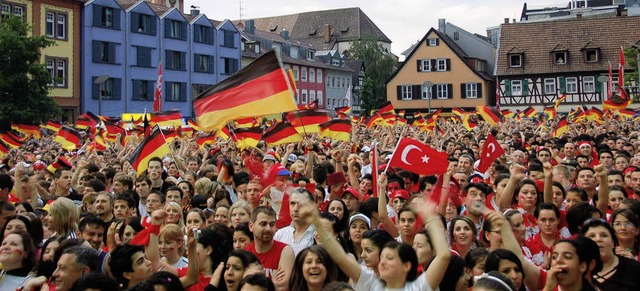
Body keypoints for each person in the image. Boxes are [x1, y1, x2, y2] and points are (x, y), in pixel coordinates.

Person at [301, 192, 450, 290]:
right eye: (383, 257)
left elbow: (444, 255)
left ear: (406, 266)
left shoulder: (419, 287)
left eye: (390, 258)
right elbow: (340, 256)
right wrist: (317, 223)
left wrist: (430, 217)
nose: (382, 262)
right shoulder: (370, 281)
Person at [580, 217, 640, 290]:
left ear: (613, 242)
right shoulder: (578, 271)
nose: (598, 239)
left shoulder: (633, 268)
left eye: (604, 235)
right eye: (592, 236)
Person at [245, 206, 295, 290]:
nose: (268, 229)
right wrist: (272, 284)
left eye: (272, 224)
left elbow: (282, 287)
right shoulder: (245, 253)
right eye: (263, 224)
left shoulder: (285, 251)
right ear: (251, 226)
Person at [274, 188, 316, 255]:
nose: (295, 209)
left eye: (301, 204)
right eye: (292, 204)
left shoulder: (318, 235)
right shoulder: (280, 234)